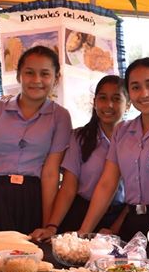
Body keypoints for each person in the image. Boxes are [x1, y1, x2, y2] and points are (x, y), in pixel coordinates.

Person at [79, 57, 149, 241]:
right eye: (136, 87)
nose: (144, 93)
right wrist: (84, 232)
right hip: (132, 221)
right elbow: (107, 184)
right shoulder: (122, 130)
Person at [0, 45, 72, 234]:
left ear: (56, 78)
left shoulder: (61, 117)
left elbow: (50, 174)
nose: (37, 80)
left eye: (45, 74)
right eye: (29, 73)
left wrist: (47, 226)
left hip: (33, 199)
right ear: (18, 76)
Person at [30, 75, 129, 240]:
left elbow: (137, 195)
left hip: (118, 218)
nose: (109, 105)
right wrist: (52, 226)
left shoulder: (134, 140)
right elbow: (69, 187)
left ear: (128, 104)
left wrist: (114, 228)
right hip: (80, 213)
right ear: (94, 102)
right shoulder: (79, 138)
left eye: (116, 99)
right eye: (103, 98)